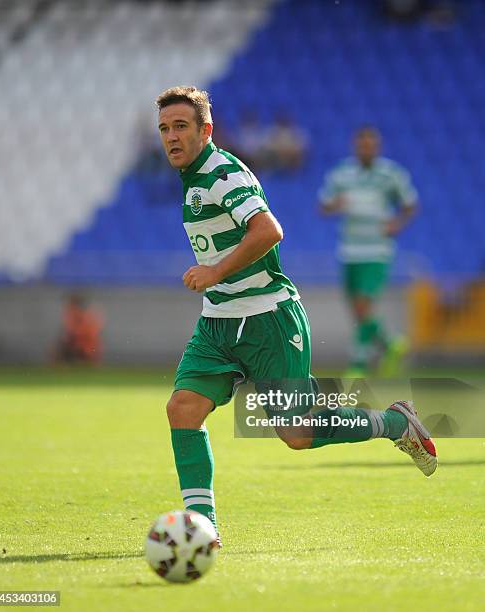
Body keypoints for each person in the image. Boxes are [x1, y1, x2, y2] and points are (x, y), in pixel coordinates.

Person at [156, 88, 437, 542]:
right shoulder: (192, 178)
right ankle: (201, 530)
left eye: (181, 126)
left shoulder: (222, 173)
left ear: (206, 130)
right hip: (219, 321)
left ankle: (396, 422)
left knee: (298, 432)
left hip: (268, 319)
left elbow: (269, 230)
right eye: (165, 128)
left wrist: (215, 271)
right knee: (182, 409)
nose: (171, 136)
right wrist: (217, 282)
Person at [319, 126, 417, 376]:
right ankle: (390, 343)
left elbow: (410, 204)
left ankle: (358, 365)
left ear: (377, 147)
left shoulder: (391, 174)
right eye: (362, 145)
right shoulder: (342, 174)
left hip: (376, 250)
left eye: (371, 145)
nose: (367, 150)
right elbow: (323, 206)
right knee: (358, 311)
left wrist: (396, 223)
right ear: (356, 147)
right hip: (349, 250)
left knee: (363, 306)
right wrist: (335, 205)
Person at [53, 294, 103, 364]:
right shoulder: (74, 315)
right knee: (59, 347)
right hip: (79, 345)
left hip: (85, 346)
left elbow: (88, 332)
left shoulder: (85, 315)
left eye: (71, 304)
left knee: (63, 348)